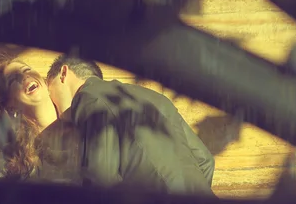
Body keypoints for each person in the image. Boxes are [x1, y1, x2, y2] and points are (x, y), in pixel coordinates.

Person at [46, 54, 215, 196]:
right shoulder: (153, 97)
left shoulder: (88, 98)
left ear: (63, 73)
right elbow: (205, 160)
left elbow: (100, 179)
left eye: (50, 92)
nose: (53, 106)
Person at [0, 59, 82, 184]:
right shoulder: (11, 167)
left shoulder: (86, 124)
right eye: (14, 79)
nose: (25, 76)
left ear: (46, 84)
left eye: (27, 70)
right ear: (10, 107)